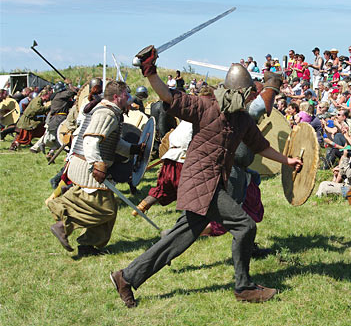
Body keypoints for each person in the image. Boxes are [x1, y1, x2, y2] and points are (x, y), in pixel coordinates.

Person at [110, 49, 302, 307]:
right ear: (236, 93)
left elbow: (259, 146)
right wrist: (150, 71)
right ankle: (244, 287)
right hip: (202, 183)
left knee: (180, 238)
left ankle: (126, 277)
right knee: (245, 226)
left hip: (211, 184)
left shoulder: (242, 120)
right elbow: (169, 96)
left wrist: (287, 160)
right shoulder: (205, 107)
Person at [46, 81, 145, 258]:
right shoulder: (106, 113)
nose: (128, 98)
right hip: (89, 166)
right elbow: (91, 140)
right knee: (106, 209)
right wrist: (97, 165)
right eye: (125, 95)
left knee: (106, 206)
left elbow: (113, 142)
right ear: (116, 96)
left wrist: (132, 149)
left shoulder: (108, 111)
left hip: (85, 163)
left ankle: (88, 245)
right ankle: (63, 220)